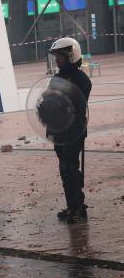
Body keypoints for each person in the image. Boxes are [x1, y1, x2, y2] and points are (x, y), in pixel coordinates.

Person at [48, 37, 92, 223]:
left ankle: (78, 208)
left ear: (71, 56)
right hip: (59, 131)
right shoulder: (56, 78)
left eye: (60, 56)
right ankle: (72, 205)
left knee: (71, 168)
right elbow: (48, 102)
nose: (57, 60)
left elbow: (78, 105)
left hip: (74, 131)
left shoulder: (81, 79)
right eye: (56, 56)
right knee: (64, 169)